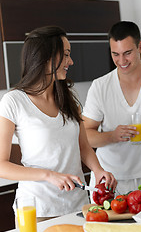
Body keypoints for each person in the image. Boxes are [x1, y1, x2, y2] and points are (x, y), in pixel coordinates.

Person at [0, 26, 117, 221]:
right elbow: (2, 165)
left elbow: (83, 147)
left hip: (77, 205)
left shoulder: (68, 97)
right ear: (46, 56)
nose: (71, 61)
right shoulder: (13, 101)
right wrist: (49, 175)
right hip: (37, 209)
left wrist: (98, 170)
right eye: (66, 55)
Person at [82, 21, 141, 199]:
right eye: (115, 54)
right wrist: (112, 135)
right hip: (111, 181)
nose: (121, 61)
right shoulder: (100, 86)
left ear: (140, 47)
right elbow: (85, 135)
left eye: (127, 53)